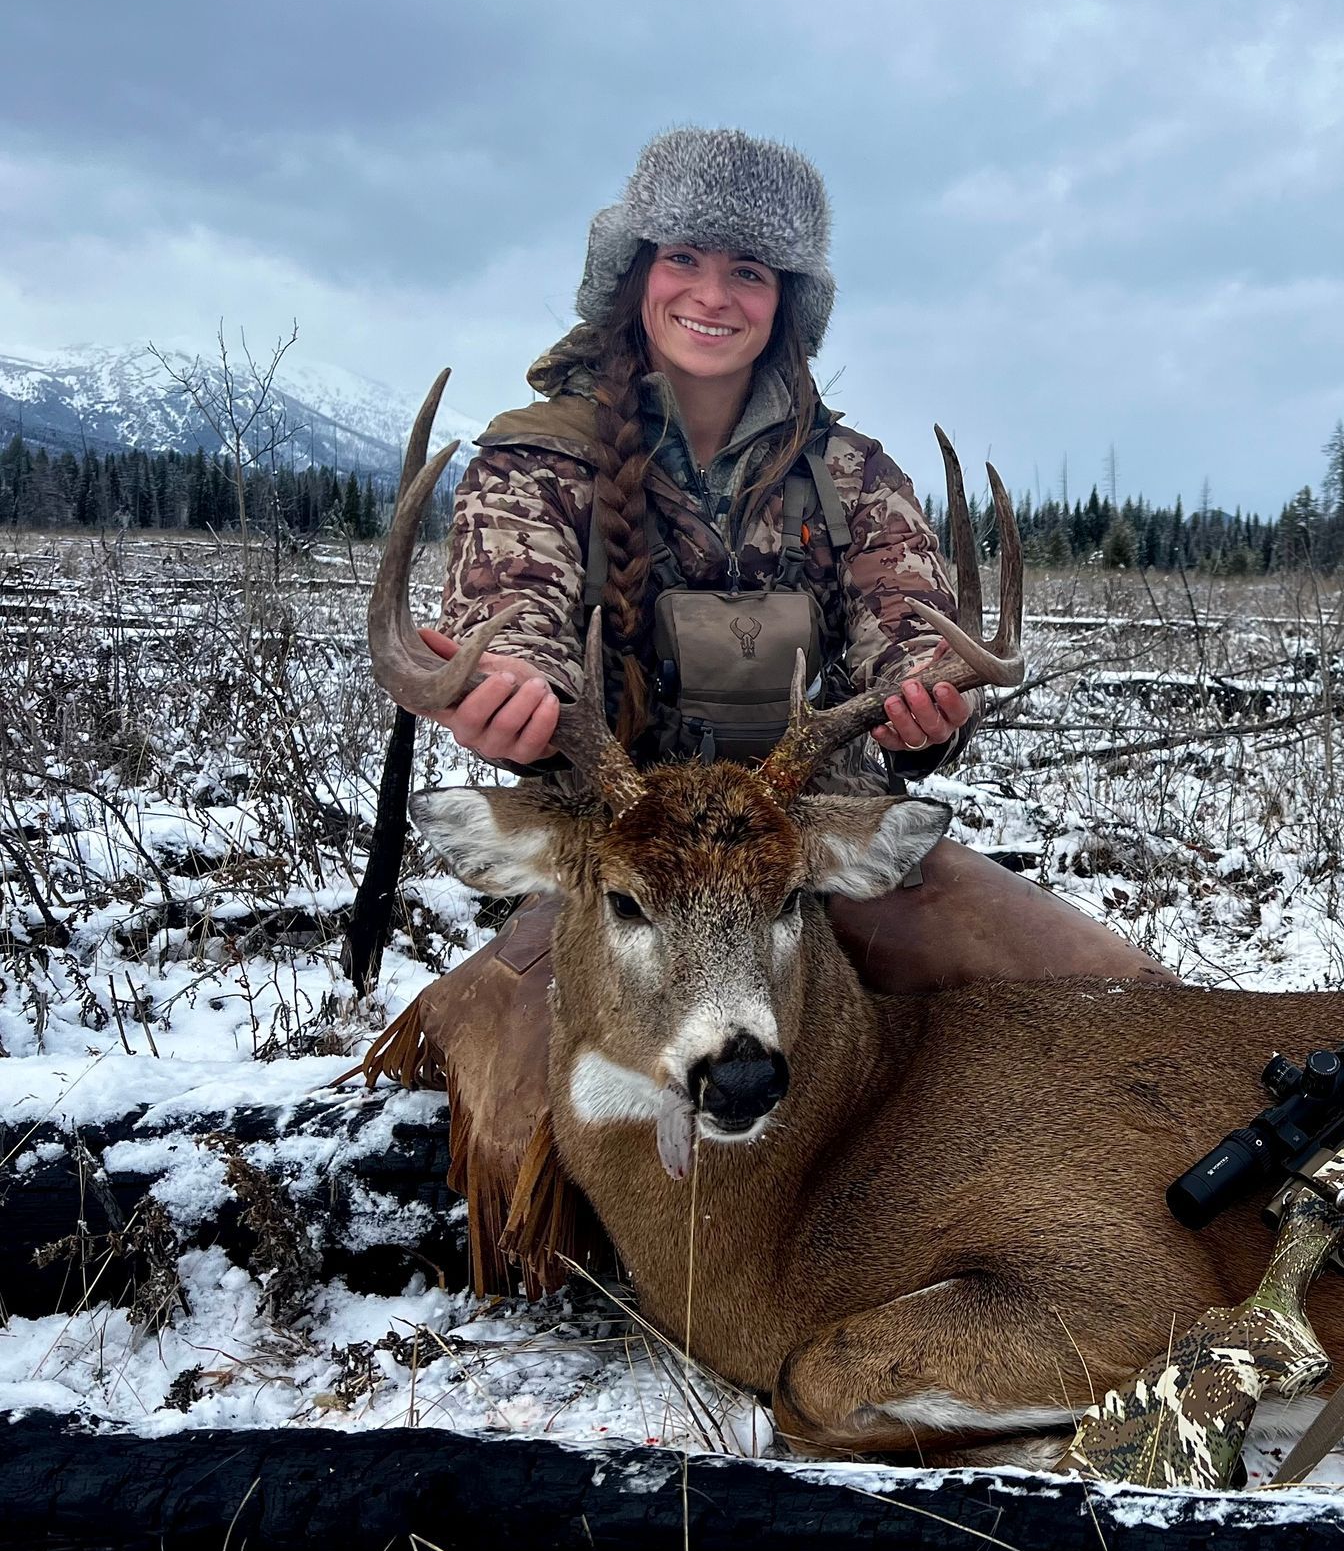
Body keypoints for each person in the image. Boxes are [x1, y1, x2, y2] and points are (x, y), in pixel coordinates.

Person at [370, 129, 1170, 1293]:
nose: (712, 294)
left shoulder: (854, 477)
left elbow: (909, 618)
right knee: (520, 1142)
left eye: (750, 271)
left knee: (1119, 1000)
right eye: (686, 257)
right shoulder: (535, 463)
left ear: (788, 301)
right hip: (629, 864)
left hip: (816, 843)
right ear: (634, 271)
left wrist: (918, 700)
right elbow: (518, 607)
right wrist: (513, 698)